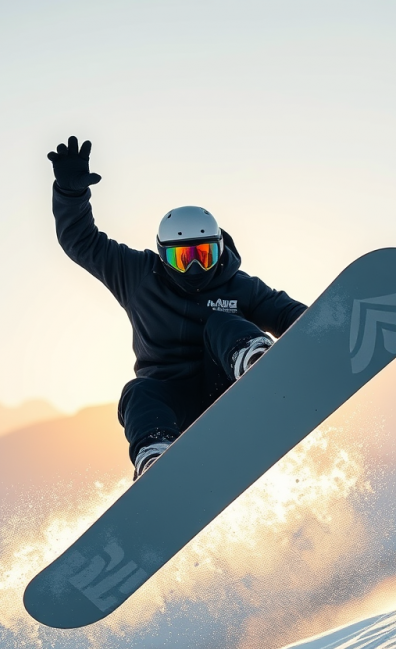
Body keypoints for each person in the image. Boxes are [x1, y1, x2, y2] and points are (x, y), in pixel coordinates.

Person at [47, 137, 307, 479]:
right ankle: (156, 455)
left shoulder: (239, 285)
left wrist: (330, 325)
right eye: (183, 258)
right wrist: (71, 195)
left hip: (229, 387)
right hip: (172, 402)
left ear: (219, 248)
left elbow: (289, 315)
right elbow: (82, 242)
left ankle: (255, 362)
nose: (196, 268)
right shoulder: (138, 275)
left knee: (223, 324)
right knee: (137, 393)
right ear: (162, 254)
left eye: (204, 255)